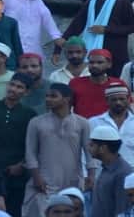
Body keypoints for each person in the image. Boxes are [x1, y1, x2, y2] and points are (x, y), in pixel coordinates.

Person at [23, 83, 90, 217]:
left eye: (53, 96)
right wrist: (37, 177)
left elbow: (89, 152)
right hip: (45, 181)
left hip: (73, 181)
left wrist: (91, 175)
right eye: (47, 96)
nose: (48, 99)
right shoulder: (36, 122)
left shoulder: (82, 122)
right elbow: (30, 153)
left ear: (67, 99)